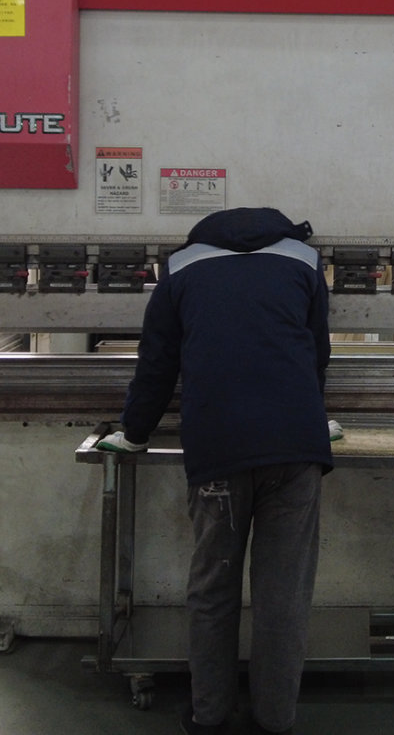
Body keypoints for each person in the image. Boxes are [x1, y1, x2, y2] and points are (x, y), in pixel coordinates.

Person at [97, 207, 335, 735]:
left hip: (219, 449)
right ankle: (275, 719)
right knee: (283, 594)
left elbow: (157, 364)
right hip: (296, 446)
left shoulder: (182, 267)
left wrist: (135, 431)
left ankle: (209, 716)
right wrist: (309, 415)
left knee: (213, 589)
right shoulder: (303, 260)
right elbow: (317, 353)